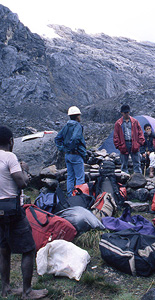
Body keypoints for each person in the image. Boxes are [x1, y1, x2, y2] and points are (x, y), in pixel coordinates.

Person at [0, 126, 48, 299]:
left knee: (4, 249)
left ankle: (5, 289)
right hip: (13, 211)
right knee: (28, 249)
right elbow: (22, 183)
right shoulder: (10, 156)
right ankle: (27, 292)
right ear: (11, 141)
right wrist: (25, 170)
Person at [55, 106, 87, 196]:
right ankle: (79, 197)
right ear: (77, 116)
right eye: (79, 115)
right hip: (76, 155)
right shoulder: (77, 126)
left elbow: (57, 138)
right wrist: (72, 147)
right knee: (80, 178)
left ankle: (69, 196)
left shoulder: (66, 126)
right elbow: (75, 138)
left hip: (67, 155)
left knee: (70, 177)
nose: (80, 117)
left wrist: (63, 149)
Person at [113, 104, 145, 174]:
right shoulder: (118, 123)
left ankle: (138, 177)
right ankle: (124, 177)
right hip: (124, 144)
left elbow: (140, 132)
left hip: (134, 143)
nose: (126, 114)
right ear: (121, 113)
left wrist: (139, 143)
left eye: (127, 112)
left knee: (137, 162)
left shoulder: (135, 121)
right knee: (124, 163)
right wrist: (118, 146)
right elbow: (116, 135)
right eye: (125, 113)